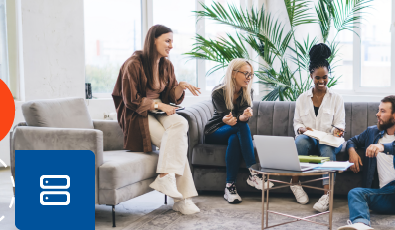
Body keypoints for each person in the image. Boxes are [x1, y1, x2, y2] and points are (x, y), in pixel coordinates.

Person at [112, 25, 203, 215]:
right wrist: (159, 106)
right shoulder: (133, 64)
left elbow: (170, 95)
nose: (171, 46)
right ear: (153, 40)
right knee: (175, 143)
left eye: (172, 41)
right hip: (138, 113)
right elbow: (131, 100)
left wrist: (180, 88)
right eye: (167, 41)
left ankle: (165, 176)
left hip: (160, 109)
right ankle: (182, 199)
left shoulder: (167, 65)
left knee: (181, 123)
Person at [337, 95, 395, 230]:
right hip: (387, 194)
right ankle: (361, 224)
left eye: (382, 111)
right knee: (355, 193)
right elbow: (352, 141)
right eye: (378, 110)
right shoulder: (372, 132)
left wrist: (383, 147)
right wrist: (352, 152)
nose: (377, 114)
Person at [203, 58, 274, 204]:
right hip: (216, 131)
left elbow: (240, 119)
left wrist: (244, 116)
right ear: (234, 73)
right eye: (246, 74)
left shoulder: (248, 92)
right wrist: (229, 119)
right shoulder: (218, 92)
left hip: (233, 129)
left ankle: (230, 187)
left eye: (251, 75)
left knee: (235, 138)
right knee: (239, 127)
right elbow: (226, 116)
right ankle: (254, 173)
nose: (249, 78)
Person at [289, 43, 346, 211]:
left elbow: (340, 123)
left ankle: (327, 195)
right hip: (309, 138)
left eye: (325, 77)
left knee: (327, 149)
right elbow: (297, 122)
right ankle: (295, 184)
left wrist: (337, 130)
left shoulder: (336, 98)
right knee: (299, 142)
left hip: (327, 139)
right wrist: (301, 129)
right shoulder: (302, 98)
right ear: (311, 76)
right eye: (318, 78)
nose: (321, 81)